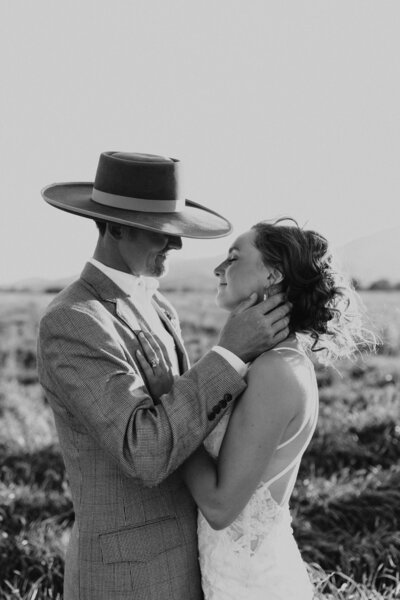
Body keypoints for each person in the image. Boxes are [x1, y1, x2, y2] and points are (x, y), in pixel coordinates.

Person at [37, 152, 291, 600]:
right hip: (126, 580)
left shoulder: (160, 307)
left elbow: (185, 418)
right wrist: (229, 354)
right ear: (114, 225)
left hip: (194, 567)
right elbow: (146, 452)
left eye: (177, 231)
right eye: (162, 231)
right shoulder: (73, 321)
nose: (176, 245)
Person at [139, 218, 370, 600]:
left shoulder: (276, 371)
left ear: (273, 275)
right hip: (229, 577)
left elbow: (219, 505)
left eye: (233, 258)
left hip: (252, 586)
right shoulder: (265, 360)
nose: (218, 268)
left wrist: (171, 401)